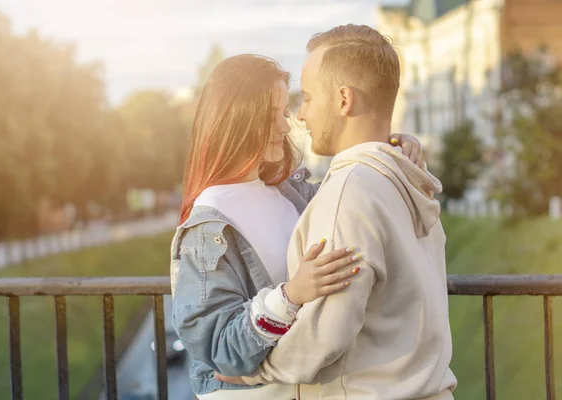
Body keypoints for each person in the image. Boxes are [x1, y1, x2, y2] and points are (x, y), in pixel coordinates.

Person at [215, 24, 458, 399]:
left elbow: (326, 332)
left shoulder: (349, 191)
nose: (300, 114)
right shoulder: (409, 180)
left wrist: (254, 372)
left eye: (308, 98)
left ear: (343, 100)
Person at [170, 53, 425, 399]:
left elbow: (356, 191)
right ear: (238, 120)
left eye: (284, 112)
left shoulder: (292, 193)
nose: (286, 126)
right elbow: (219, 351)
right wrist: (289, 297)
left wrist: (393, 148)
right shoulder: (206, 228)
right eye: (271, 116)